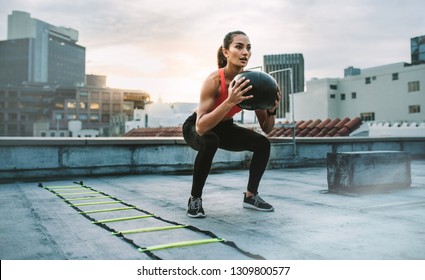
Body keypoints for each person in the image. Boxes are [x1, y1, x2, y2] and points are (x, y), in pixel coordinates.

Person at [182, 30, 280, 218]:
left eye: (249, 48)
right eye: (239, 47)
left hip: (225, 127)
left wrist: (272, 109)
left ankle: (251, 196)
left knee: (262, 144)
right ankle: (195, 199)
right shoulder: (214, 81)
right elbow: (201, 127)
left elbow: (267, 128)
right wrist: (230, 100)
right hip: (196, 126)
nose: (245, 52)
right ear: (226, 52)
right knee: (210, 140)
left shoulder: (251, 82)